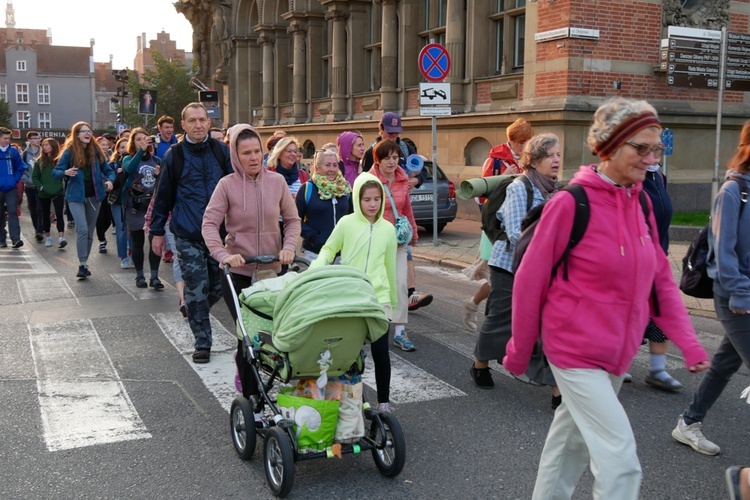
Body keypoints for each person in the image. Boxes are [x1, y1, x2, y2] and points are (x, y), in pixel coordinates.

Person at [503, 97, 710, 499]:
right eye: (641, 148)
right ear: (611, 146)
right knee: (621, 462)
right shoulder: (569, 203)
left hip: (616, 351)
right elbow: (530, 282)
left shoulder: (641, 203)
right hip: (574, 350)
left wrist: (688, 341)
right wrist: (519, 349)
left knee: (571, 445)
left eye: (657, 148)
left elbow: (661, 283)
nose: (651, 158)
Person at [201, 123, 300, 397]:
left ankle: (272, 379)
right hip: (238, 272)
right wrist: (223, 255)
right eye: (246, 153)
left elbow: (292, 220)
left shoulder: (277, 182)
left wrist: (289, 246)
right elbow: (209, 225)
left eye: (257, 151)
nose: (254, 157)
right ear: (235, 155)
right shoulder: (227, 186)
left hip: (272, 271)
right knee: (248, 337)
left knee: (275, 332)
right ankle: (251, 397)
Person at [672, 119, 750, 457]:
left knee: (724, 364)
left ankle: (688, 423)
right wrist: (740, 292)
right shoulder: (734, 191)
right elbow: (724, 248)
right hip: (734, 295)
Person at [470, 133, 561, 399]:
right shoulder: (520, 187)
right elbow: (515, 232)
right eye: (550, 155)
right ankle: (480, 364)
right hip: (509, 266)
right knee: (500, 319)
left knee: (548, 325)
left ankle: (557, 391)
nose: (556, 160)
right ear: (534, 160)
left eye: (558, 154)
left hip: (544, 269)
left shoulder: (557, 189)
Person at [150, 102, 232, 364]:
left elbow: (235, 190)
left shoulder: (222, 152)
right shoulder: (174, 155)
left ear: (209, 123)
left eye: (202, 120)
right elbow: (163, 196)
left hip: (219, 236)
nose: (198, 125)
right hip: (187, 233)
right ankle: (202, 342)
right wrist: (157, 232)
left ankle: (197, 311)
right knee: (196, 289)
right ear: (183, 125)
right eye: (192, 120)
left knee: (218, 287)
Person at [310, 172, 397, 412]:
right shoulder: (346, 224)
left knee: (381, 351)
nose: (372, 205)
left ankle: (384, 402)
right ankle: (348, 398)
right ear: (357, 199)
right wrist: (317, 267)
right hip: (350, 296)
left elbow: (390, 266)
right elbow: (329, 249)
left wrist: (394, 301)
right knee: (348, 353)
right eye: (366, 199)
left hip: (378, 298)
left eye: (377, 199)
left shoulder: (388, 229)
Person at [464, 118, 535, 332]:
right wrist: (503, 180)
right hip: (496, 227)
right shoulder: (494, 161)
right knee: (499, 276)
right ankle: (478, 308)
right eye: (520, 142)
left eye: (527, 142)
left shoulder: (531, 160)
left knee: (513, 277)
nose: (524, 147)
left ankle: (482, 309)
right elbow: (479, 199)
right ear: (510, 141)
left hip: (520, 223)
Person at [363, 113, 433, 311]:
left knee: (405, 254)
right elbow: (364, 183)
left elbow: (424, 172)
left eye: (396, 132)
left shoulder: (406, 147)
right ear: (381, 129)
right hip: (379, 217)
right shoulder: (371, 152)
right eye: (389, 132)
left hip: (400, 212)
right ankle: (379, 307)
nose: (393, 136)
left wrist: (415, 181)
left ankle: (408, 296)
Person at [369, 139, 418, 351]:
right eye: (387, 158)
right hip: (374, 241)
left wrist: (414, 232)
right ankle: (370, 327)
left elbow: (406, 209)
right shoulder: (369, 180)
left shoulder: (402, 178)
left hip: (397, 241)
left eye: (395, 158)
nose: (392, 162)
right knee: (374, 285)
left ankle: (399, 332)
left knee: (399, 284)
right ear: (377, 160)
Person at [638, 162, 682, 391]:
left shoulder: (659, 176)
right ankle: (615, 363)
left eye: (656, 147)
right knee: (631, 311)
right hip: (636, 257)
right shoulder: (632, 175)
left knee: (660, 309)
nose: (654, 153)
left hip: (659, 256)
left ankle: (657, 369)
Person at [53, 122, 115, 278]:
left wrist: (110, 181)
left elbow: (109, 171)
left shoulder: (96, 151)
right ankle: (81, 265)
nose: (88, 134)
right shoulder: (69, 151)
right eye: (84, 131)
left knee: (89, 232)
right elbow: (56, 172)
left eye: (89, 131)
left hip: (95, 196)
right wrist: (65, 171)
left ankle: (84, 263)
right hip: (75, 197)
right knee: (82, 229)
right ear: (77, 134)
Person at [122, 128, 163, 289]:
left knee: (155, 241)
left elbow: (163, 183)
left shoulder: (156, 160)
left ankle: (154, 276)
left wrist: (159, 175)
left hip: (152, 206)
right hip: (135, 206)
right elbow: (130, 169)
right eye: (138, 139)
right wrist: (140, 151)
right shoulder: (128, 158)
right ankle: (140, 276)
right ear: (133, 142)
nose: (142, 142)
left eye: (145, 139)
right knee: (138, 242)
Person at [296, 149, 352, 260]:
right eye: (327, 165)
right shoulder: (307, 188)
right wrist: (315, 239)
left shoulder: (345, 189)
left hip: (342, 254)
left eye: (335, 165)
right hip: (315, 254)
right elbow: (296, 220)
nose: (332, 169)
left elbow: (353, 216)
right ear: (317, 168)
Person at [31, 138, 66, 248]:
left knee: (59, 214)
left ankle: (61, 238)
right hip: (44, 192)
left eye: (47, 145)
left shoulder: (60, 160)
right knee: (45, 215)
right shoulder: (39, 161)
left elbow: (64, 174)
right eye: (44, 145)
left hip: (58, 191)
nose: (45, 147)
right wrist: (41, 187)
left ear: (53, 146)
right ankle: (48, 237)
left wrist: (61, 186)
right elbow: (35, 177)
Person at [0, 127, 27, 248]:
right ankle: (1, 239)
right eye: (5, 138)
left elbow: (19, 167)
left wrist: (14, 180)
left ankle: (16, 239)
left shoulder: (13, 152)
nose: (7, 141)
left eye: (8, 138)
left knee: (12, 212)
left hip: (11, 188)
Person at [108, 138, 132, 268]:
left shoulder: (134, 162)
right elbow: (113, 182)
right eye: (122, 147)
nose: (125, 150)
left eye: (127, 147)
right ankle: (123, 257)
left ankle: (133, 254)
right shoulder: (113, 165)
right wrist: (120, 172)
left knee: (133, 229)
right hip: (118, 200)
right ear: (117, 149)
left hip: (132, 200)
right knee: (121, 228)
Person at [21, 131, 44, 242]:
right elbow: (21, 170)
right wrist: (27, 180)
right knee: (33, 208)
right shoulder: (24, 155)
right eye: (35, 138)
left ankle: (40, 229)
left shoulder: (44, 152)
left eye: (39, 138)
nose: (38, 140)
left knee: (41, 208)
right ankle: (37, 228)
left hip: (41, 186)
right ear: (29, 140)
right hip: (30, 186)